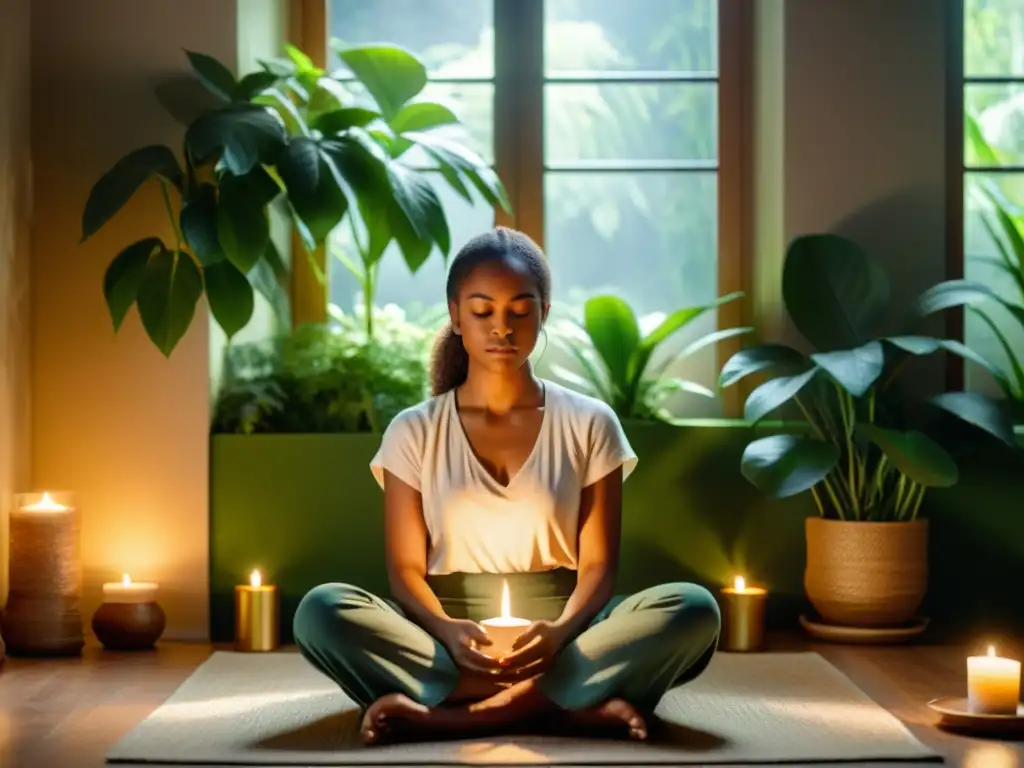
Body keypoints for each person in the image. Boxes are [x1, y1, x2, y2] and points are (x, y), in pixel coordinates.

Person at [292, 227, 721, 746]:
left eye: (521, 310)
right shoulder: (414, 429)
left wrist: (560, 632)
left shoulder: (591, 423)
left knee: (693, 609)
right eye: (482, 311)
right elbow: (405, 572)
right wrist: (448, 631)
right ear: (455, 315)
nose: (502, 327)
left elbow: (598, 568)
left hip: (566, 631)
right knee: (321, 610)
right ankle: (563, 704)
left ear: (543, 313)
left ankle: (464, 713)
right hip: (449, 635)